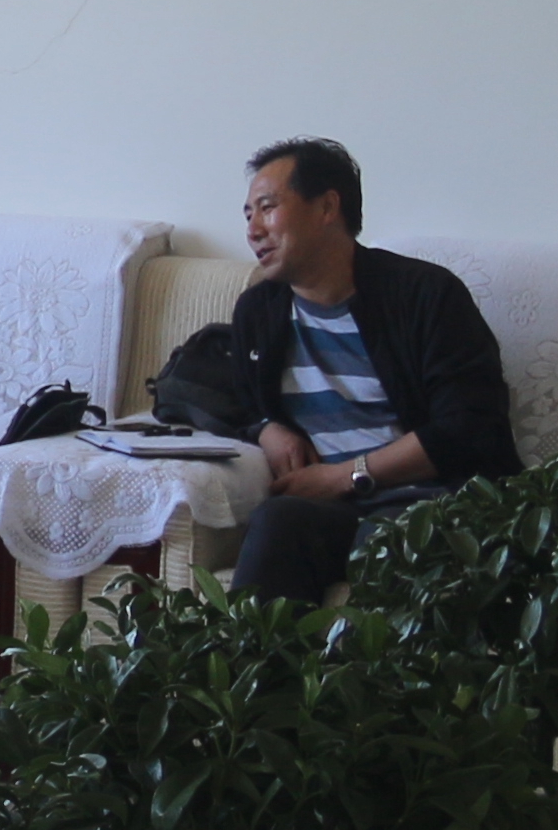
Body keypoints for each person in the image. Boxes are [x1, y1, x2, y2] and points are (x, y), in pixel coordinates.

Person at [213, 137, 519, 601]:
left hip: (432, 499)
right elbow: (235, 398)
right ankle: (250, 651)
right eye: (248, 215)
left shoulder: (425, 295)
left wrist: (346, 476)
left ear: (327, 207)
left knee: (386, 541)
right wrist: (266, 427)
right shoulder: (259, 311)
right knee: (278, 520)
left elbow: (469, 426)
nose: (253, 229)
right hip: (334, 511)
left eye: (268, 208)